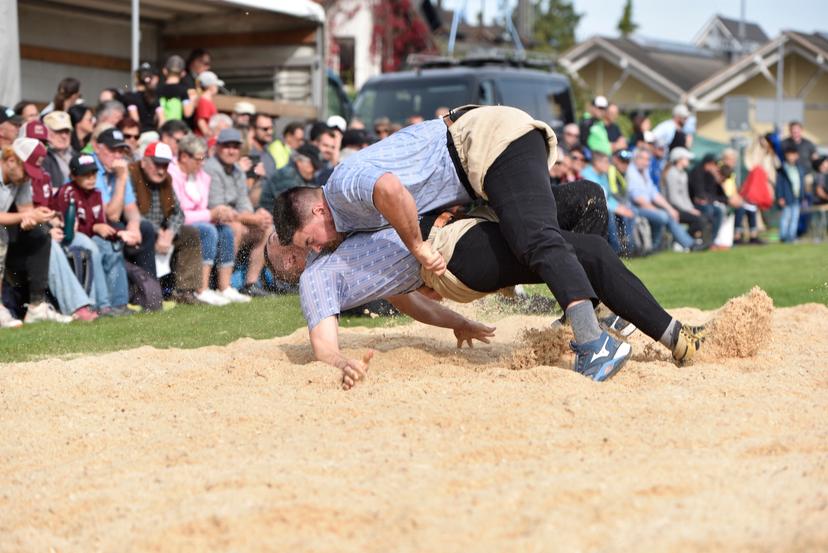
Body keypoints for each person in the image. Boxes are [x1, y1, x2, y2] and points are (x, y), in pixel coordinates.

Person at [275, 105, 634, 380]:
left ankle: (591, 321)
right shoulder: (346, 234)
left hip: (475, 152)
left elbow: (389, 190)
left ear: (318, 211)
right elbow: (399, 295)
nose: (314, 249)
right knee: (578, 213)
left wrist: (418, 247)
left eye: (308, 241)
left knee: (566, 227)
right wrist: (455, 322)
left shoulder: (342, 190)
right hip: (469, 198)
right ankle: (592, 320)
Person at [267, 182, 705, 389]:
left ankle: (617, 318)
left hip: (459, 233)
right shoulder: (317, 276)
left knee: (587, 218)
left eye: (297, 246)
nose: (295, 259)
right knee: (586, 253)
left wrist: (458, 322)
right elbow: (323, 345)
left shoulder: (348, 229)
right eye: (291, 254)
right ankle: (669, 335)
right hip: (454, 256)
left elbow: (408, 301)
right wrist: (343, 363)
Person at [0, 138, 72, 325]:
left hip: (4, 228)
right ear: (11, 161)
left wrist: (34, 219)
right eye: (27, 170)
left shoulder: (21, 178)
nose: (28, 177)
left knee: (40, 233)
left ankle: (36, 307)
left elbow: (25, 212)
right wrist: (28, 215)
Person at [54, 153, 132, 317]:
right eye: (85, 174)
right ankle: (101, 305)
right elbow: (70, 228)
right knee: (93, 249)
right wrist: (95, 228)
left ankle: (119, 303)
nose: (91, 178)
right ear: (73, 176)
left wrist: (119, 233)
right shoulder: (67, 192)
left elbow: (100, 224)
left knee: (112, 247)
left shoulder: (96, 193)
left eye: (94, 173)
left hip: (88, 235)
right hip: (67, 238)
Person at [128, 141, 203, 304]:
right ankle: (143, 292)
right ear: (144, 162)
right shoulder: (132, 176)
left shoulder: (166, 180)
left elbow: (178, 212)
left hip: (162, 231)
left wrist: (169, 233)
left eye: (165, 165)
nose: (161, 170)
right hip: (137, 229)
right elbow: (129, 211)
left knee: (190, 233)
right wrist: (157, 232)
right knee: (145, 231)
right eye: (156, 164)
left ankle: (185, 291)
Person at [203, 128, 272, 299]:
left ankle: (251, 284)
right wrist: (251, 218)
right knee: (235, 228)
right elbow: (217, 208)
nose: (231, 150)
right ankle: (223, 286)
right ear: (218, 147)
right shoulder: (211, 168)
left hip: (231, 217)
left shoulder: (237, 170)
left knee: (266, 228)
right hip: (210, 219)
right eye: (227, 146)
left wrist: (256, 218)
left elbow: (243, 203)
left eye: (235, 146)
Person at [169, 134, 236, 306]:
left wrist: (219, 213)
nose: (202, 163)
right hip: (176, 226)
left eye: (203, 158)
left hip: (198, 222)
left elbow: (202, 209)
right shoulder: (172, 175)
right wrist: (211, 215)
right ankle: (201, 288)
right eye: (198, 159)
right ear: (184, 156)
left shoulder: (200, 176)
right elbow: (179, 215)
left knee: (226, 230)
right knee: (208, 231)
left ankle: (224, 287)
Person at [92, 128, 157, 277]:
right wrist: (121, 179)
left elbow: (131, 208)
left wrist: (134, 226)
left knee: (145, 228)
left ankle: (149, 291)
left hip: (112, 222)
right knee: (118, 227)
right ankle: (122, 292)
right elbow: (111, 215)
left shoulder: (118, 169)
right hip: (94, 224)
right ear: (97, 147)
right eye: (112, 150)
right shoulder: (91, 167)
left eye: (120, 151)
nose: (117, 156)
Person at [626, 148, 698, 251]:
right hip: (634, 208)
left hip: (645, 206)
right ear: (636, 158)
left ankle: (656, 247)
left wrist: (670, 209)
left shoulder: (644, 172)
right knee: (663, 216)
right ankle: (688, 244)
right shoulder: (631, 172)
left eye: (648, 160)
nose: (647, 163)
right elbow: (637, 199)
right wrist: (656, 210)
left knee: (667, 214)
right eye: (644, 159)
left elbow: (655, 194)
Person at [581, 151, 633, 254]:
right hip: (591, 209)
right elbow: (596, 199)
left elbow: (608, 196)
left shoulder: (603, 175)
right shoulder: (587, 175)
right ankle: (615, 250)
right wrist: (616, 208)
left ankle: (627, 248)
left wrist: (619, 206)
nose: (608, 165)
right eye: (606, 162)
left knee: (628, 211)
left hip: (605, 206)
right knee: (611, 214)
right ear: (597, 163)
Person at [661, 147, 708, 242]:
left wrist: (691, 209)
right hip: (673, 208)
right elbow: (673, 199)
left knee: (703, 217)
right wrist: (689, 210)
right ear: (679, 159)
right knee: (699, 220)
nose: (688, 160)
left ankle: (687, 240)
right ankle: (683, 241)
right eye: (686, 158)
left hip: (682, 208)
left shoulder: (683, 174)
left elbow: (685, 196)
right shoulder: (672, 174)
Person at [260, 144, 323, 214]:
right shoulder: (286, 175)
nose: (314, 171)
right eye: (313, 166)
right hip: (269, 218)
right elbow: (293, 207)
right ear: (299, 161)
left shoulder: (305, 176)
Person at [689, 153, 727, 238]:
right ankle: (690, 235)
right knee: (708, 210)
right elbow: (699, 195)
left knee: (718, 211)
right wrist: (710, 199)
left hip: (706, 203)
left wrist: (718, 182)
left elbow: (722, 197)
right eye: (715, 164)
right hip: (691, 204)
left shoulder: (710, 175)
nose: (717, 167)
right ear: (709, 164)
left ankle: (711, 240)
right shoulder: (697, 172)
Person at [776, 144, 805, 243]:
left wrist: (802, 195)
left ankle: (791, 236)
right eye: (789, 155)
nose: (791, 157)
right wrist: (780, 197)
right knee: (785, 218)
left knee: (795, 218)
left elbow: (801, 183)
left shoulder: (799, 168)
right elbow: (779, 185)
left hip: (797, 197)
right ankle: (783, 236)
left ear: (797, 155)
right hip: (786, 197)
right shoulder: (783, 169)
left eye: (793, 154)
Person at [124, 63, 163, 133]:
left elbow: (135, 119)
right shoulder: (154, 97)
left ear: (137, 78)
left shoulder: (131, 97)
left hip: (141, 135)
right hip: (154, 134)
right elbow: (162, 119)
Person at [158, 55, 197, 124]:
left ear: (164, 71)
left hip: (162, 128)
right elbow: (187, 113)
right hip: (177, 129)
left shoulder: (157, 90)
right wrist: (193, 100)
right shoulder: (184, 91)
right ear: (183, 73)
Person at [42, 111, 74, 186]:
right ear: (47, 132)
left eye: (66, 131)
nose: (64, 136)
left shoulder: (78, 156)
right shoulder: (42, 157)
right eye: (58, 131)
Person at [248, 113, 278, 178]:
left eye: (271, 128)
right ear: (253, 129)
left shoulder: (268, 153)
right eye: (265, 129)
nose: (270, 132)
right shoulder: (248, 154)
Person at [195, 71, 223, 138]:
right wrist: (209, 136)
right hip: (204, 140)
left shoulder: (207, 100)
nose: (217, 87)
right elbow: (201, 121)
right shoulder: (204, 101)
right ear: (210, 86)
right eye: (215, 85)